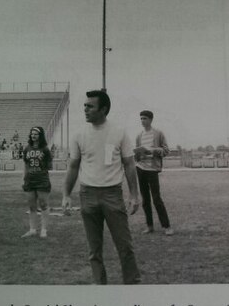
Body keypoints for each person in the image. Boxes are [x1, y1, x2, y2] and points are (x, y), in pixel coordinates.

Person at [62, 90, 142, 284]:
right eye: (84, 106)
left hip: (112, 194)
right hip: (88, 195)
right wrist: (66, 194)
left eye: (90, 106)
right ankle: (101, 287)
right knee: (94, 250)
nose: (85, 109)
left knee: (125, 246)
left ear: (103, 109)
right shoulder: (79, 135)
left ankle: (132, 287)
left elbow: (129, 164)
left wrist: (134, 195)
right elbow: (73, 166)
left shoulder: (119, 132)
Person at [134, 110, 173, 235]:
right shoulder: (139, 136)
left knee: (156, 198)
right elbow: (137, 155)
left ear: (151, 120)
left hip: (152, 169)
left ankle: (167, 227)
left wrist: (152, 151)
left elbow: (166, 150)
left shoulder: (158, 133)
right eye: (141, 118)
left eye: (144, 118)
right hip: (140, 168)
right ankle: (149, 226)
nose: (142, 121)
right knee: (145, 199)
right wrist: (138, 154)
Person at [21, 127, 53, 238]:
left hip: (41, 180)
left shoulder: (45, 149)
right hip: (29, 180)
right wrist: (24, 178)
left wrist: (40, 169)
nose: (33, 136)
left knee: (43, 204)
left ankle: (44, 229)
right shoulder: (27, 149)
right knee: (31, 206)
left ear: (40, 136)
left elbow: (50, 166)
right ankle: (32, 229)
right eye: (32, 134)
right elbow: (25, 164)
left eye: (36, 134)